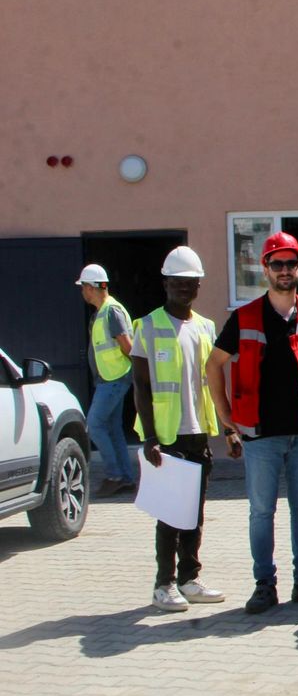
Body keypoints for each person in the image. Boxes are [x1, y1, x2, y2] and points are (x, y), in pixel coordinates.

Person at [206, 231, 298, 615]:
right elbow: (213, 364)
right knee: (261, 512)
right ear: (265, 268)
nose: (284, 270)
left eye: (290, 263)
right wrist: (225, 416)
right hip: (261, 435)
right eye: (276, 263)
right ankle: (264, 585)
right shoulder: (245, 317)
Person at [130, 246, 225, 612]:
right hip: (166, 437)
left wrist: (228, 429)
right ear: (166, 283)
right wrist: (150, 437)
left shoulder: (205, 327)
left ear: (198, 285)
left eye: (190, 283)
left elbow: (212, 382)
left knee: (193, 513)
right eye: (177, 282)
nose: (184, 288)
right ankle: (163, 583)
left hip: (197, 432)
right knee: (170, 514)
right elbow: (141, 386)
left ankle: (189, 577)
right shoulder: (148, 326)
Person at [77, 263, 136, 498]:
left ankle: (115, 475)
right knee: (112, 428)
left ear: (91, 287)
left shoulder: (111, 311)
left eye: (83, 287)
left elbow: (127, 346)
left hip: (114, 379)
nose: (82, 292)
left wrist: (136, 374)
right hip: (109, 379)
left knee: (95, 424)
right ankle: (126, 478)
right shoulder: (104, 312)